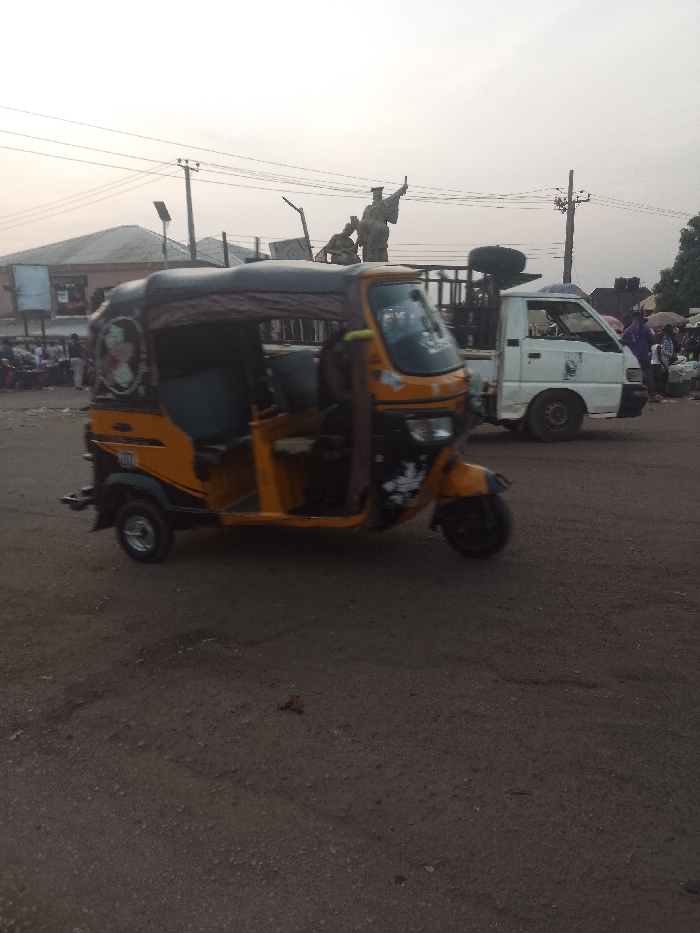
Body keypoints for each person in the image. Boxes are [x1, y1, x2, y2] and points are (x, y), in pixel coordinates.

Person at [622, 311, 654, 399]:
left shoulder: (627, 331)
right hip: (643, 357)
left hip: (632, 359)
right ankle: (652, 396)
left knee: (634, 379)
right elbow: (651, 341)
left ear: (632, 318)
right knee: (648, 377)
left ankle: (634, 397)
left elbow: (624, 344)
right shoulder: (646, 328)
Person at [650, 334, 664, 400]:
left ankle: (654, 393)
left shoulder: (653, 346)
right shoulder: (659, 346)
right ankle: (659, 393)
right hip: (657, 364)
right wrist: (663, 365)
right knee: (659, 379)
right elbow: (659, 357)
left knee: (654, 379)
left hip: (652, 363)